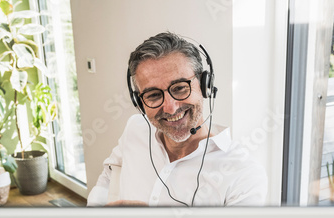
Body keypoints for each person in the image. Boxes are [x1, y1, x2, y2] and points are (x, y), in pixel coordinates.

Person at [87, 32, 267, 207]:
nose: (170, 107)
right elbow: (108, 173)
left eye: (180, 88)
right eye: (153, 95)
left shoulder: (244, 175)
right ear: (140, 102)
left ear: (205, 86)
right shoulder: (135, 128)